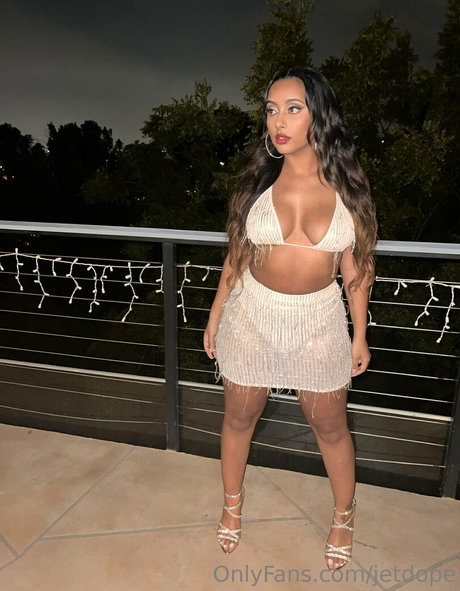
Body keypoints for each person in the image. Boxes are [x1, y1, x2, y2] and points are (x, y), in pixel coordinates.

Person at [203, 66, 377, 570]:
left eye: (293, 109)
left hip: (319, 322)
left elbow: (357, 271)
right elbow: (236, 257)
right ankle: (231, 506)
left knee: (330, 426)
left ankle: (343, 516)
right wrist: (215, 315)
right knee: (239, 417)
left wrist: (360, 334)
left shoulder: (349, 191)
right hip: (250, 315)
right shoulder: (257, 183)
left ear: (318, 116)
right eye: (272, 109)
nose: (279, 121)